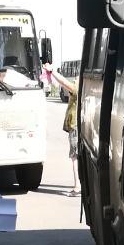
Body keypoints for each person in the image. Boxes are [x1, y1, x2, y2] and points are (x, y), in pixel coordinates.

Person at [42, 63, 80, 197]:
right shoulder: (79, 90)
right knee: (76, 156)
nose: (74, 80)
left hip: (76, 126)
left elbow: (64, 83)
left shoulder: (78, 89)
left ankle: (77, 186)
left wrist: (52, 71)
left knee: (75, 156)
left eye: (76, 79)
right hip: (75, 125)